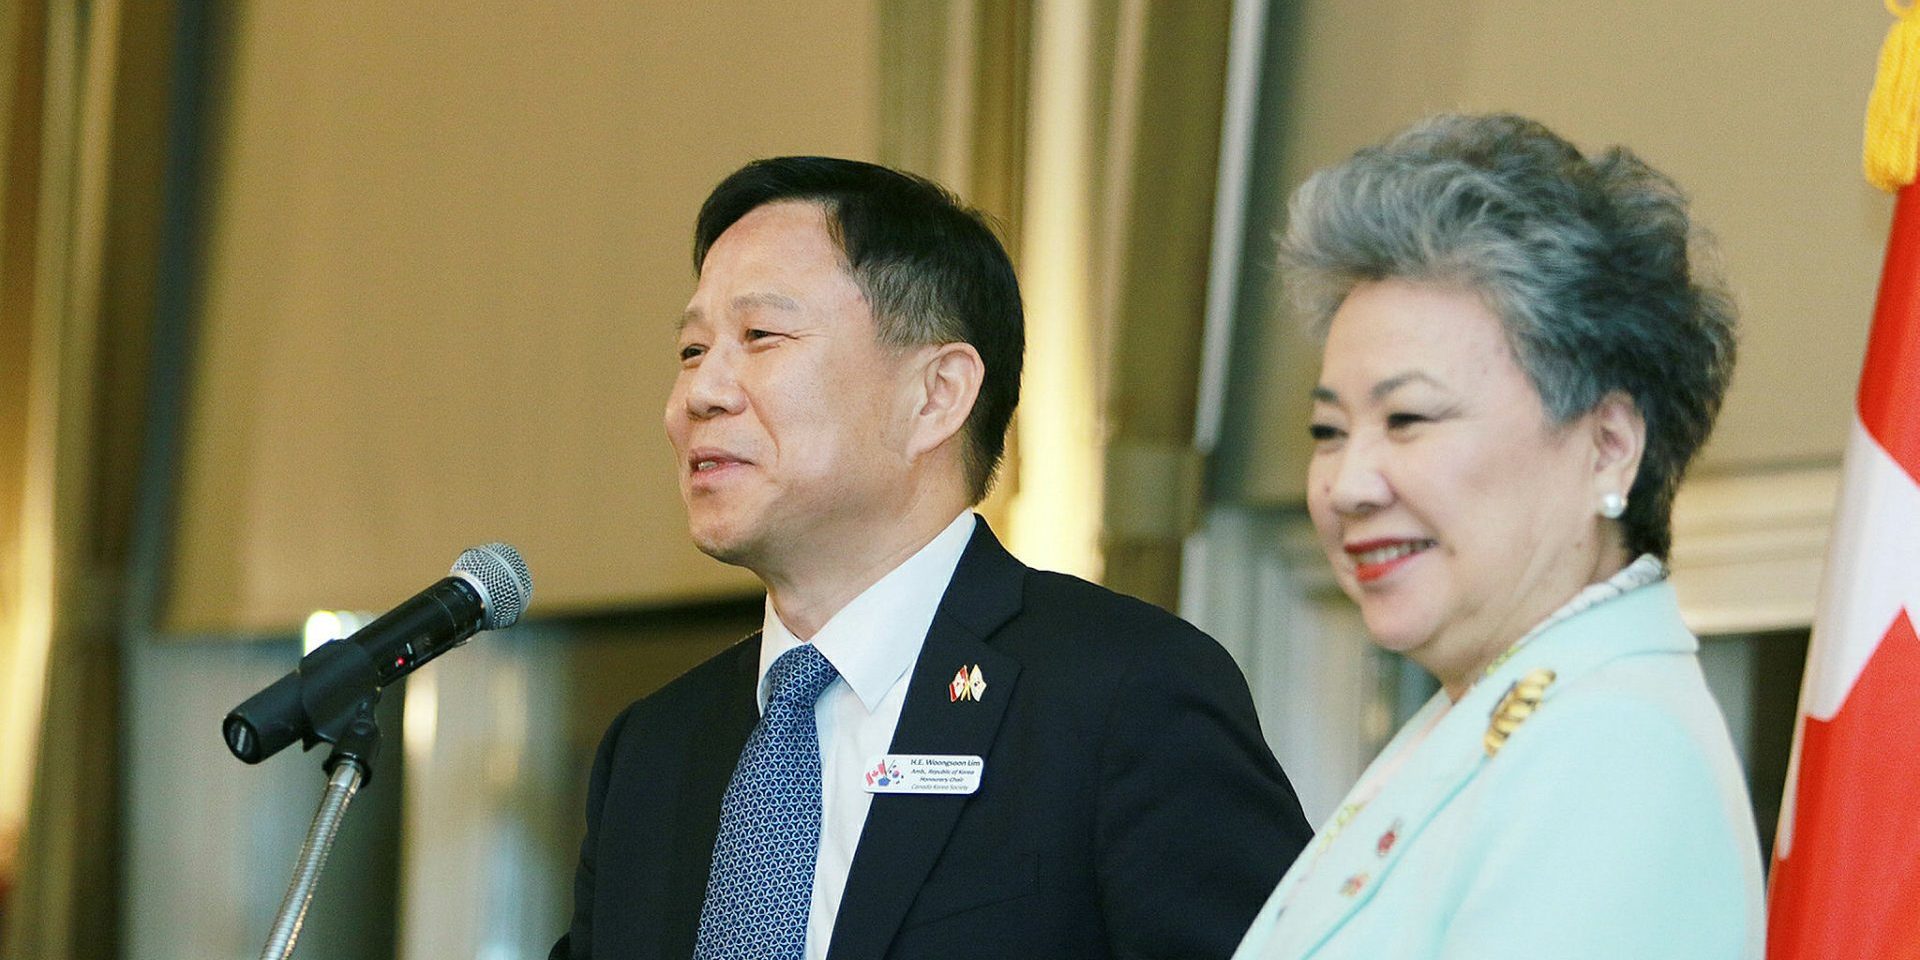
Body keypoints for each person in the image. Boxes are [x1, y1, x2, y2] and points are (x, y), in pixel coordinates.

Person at [553, 156, 1312, 960]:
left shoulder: (1122, 694)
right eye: (692, 351)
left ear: (937, 394)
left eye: (759, 336)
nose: (698, 395)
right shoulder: (655, 748)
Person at [1229, 114, 1764, 959]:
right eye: (1329, 431)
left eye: (1407, 418)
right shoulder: (1478, 720)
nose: (1349, 485)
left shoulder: (1612, 749)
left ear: (1608, 445)